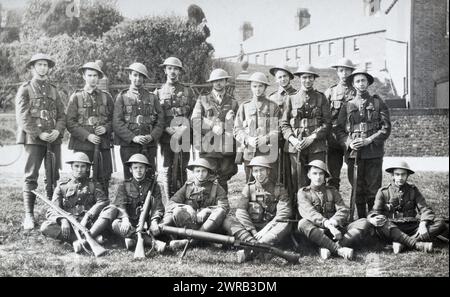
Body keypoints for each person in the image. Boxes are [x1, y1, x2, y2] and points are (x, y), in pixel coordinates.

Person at [15, 53, 66, 230]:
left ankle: (52, 212)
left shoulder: (54, 90)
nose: (43, 68)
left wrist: (57, 130)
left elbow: (62, 115)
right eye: (40, 65)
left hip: (53, 140)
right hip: (34, 140)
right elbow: (23, 117)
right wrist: (38, 134)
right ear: (32, 67)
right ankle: (29, 215)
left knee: (53, 176)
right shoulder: (25, 89)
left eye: (46, 65)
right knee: (31, 176)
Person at [336, 68, 391, 218]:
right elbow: (339, 130)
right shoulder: (347, 105)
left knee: (373, 190)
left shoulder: (378, 103)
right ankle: (360, 220)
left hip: (373, 153)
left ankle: (374, 220)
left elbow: (386, 128)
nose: (361, 84)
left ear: (368, 83)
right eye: (357, 81)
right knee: (357, 190)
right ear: (353, 84)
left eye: (363, 80)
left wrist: (369, 140)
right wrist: (349, 143)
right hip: (354, 154)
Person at [297, 160, 372, 260]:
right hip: (317, 231)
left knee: (364, 222)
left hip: (336, 231)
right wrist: (327, 223)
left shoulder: (332, 191)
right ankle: (338, 250)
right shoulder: (303, 193)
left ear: (325, 176)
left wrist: (334, 221)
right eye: (314, 173)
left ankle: (326, 247)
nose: (318, 177)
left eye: (321, 174)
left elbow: (343, 209)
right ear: (309, 175)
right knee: (302, 223)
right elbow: (310, 212)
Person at [90, 154, 166, 252]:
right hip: (130, 224)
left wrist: (154, 221)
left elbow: (158, 207)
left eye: (141, 167)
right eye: (135, 168)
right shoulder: (124, 185)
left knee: (161, 226)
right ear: (130, 170)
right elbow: (120, 205)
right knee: (116, 224)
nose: (138, 170)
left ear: (146, 169)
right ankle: (152, 243)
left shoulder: (154, 186)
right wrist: (125, 219)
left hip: (148, 224)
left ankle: (132, 240)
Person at [367, 160, 447, 253]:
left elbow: (425, 209)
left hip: (411, 226)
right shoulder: (383, 192)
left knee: (440, 222)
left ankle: (403, 244)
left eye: (403, 174)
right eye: (397, 174)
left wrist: (423, 224)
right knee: (380, 225)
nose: (400, 177)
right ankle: (415, 243)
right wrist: (373, 219)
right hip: (392, 228)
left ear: (407, 175)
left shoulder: (413, 190)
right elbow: (375, 212)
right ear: (392, 175)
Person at [223, 156, 292, 263]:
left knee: (285, 223)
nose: (259, 174)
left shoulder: (279, 188)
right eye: (256, 171)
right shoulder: (249, 188)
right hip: (253, 228)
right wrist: (253, 230)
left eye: (261, 170)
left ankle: (249, 250)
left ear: (268, 171)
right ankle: (258, 247)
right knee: (229, 220)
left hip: (270, 227)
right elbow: (241, 211)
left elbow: (284, 213)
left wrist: (266, 229)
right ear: (252, 172)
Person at [40, 152, 109, 253]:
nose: (79, 169)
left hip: (89, 225)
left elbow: (103, 201)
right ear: (71, 167)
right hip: (70, 225)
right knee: (46, 227)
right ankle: (83, 240)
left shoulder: (93, 185)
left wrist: (88, 215)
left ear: (87, 168)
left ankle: (84, 239)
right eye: (76, 166)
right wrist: (63, 220)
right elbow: (52, 210)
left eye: (83, 166)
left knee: (108, 215)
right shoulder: (62, 186)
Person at [66, 62, 114, 193]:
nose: (92, 78)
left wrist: (106, 128)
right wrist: (88, 135)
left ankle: (102, 204)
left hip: (102, 143)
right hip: (82, 144)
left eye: (95, 75)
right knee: (81, 176)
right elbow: (70, 123)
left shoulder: (106, 97)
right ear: (84, 76)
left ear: (99, 77)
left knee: (104, 177)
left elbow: (114, 119)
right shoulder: (76, 97)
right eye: (89, 75)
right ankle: (82, 203)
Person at [161, 158, 229, 250]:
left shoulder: (216, 187)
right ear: (193, 172)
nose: (200, 174)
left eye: (203, 171)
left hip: (208, 225)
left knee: (220, 212)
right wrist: (187, 207)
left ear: (208, 172)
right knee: (177, 211)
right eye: (198, 171)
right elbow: (171, 203)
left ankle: (192, 241)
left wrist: (207, 210)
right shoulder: (188, 186)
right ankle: (201, 240)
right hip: (190, 223)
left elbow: (224, 206)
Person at [113, 62, 164, 179]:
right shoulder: (122, 97)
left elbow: (160, 121)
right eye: (135, 75)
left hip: (149, 145)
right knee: (129, 178)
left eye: (141, 76)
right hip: (129, 145)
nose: (138, 78)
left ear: (144, 78)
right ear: (130, 76)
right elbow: (117, 123)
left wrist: (152, 136)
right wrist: (133, 138)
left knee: (150, 177)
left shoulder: (152, 97)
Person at [191, 68, 239, 193]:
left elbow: (239, 125)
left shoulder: (233, 102)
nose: (218, 83)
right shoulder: (203, 99)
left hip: (226, 147)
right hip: (208, 146)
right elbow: (195, 120)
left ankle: (223, 206)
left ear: (226, 82)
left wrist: (228, 123)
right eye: (215, 81)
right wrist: (212, 126)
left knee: (223, 178)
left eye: (221, 80)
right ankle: (208, 205)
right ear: (212, 83)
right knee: (207, 176)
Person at [154, 57, 196, 197]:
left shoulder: (188, 91)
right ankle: (168, 201)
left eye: (176, 69)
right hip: (167, 136)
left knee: (182, 167)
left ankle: (182, 198)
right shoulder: (158, 93)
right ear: (165, 70)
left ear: (179, 71)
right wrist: (167, 128)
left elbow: (194, 113)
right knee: (166, 168)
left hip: (184, 135)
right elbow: (157, 115)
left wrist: (184, 127)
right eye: (170, 68)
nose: (173, 71)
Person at [234, 72, 280, 182]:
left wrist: (266, 138)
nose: (257, 89)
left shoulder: (273, 106)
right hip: (250, 152)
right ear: (251, 87)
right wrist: (247, 139)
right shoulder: (244, 106)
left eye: (260, 86)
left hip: (268, 152)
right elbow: (237, 129)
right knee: (250, 181)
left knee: (270, 181)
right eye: (254, 86)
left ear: (265, 87)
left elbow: (278, 130)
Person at [324, 58, 356, 191]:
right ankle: (333, 207)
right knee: (332, 178)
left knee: (354, 176)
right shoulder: (330, 92)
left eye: (347, 70)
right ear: (337, 72)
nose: (344, 74)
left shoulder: (357, 92)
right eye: (341, 71)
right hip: (333, 140)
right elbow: (324, 117)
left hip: (351, 139)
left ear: (351, 72)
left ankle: (357, 207)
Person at [268, 64, 297, 196]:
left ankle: (293, 201)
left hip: (292, 138)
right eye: (279, 77)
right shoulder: (272, 97)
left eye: (285, 76)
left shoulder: (297, 95)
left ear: (290, 78)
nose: (283, 79)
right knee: (276, 171)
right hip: (276, 139)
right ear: (275, 79)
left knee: (293, 172)